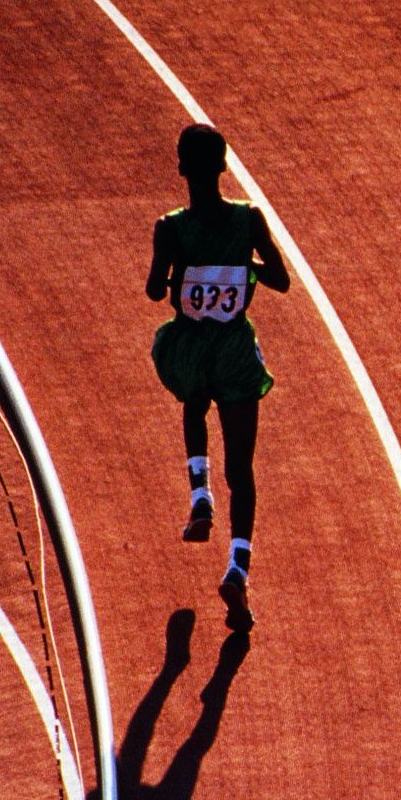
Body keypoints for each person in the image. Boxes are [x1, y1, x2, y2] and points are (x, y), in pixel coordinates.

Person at [144, 123, 287, 631]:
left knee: (193, 403)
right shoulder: (249, 220)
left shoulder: (170, 228)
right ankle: (238, 569)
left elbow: (154, 291)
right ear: (224, 166)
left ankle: (199, 496)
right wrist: (243, 267)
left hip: (190, 349)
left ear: (183, 168)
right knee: (242, 470)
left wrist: (183, 273)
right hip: (233, 351)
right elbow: (281, 279)